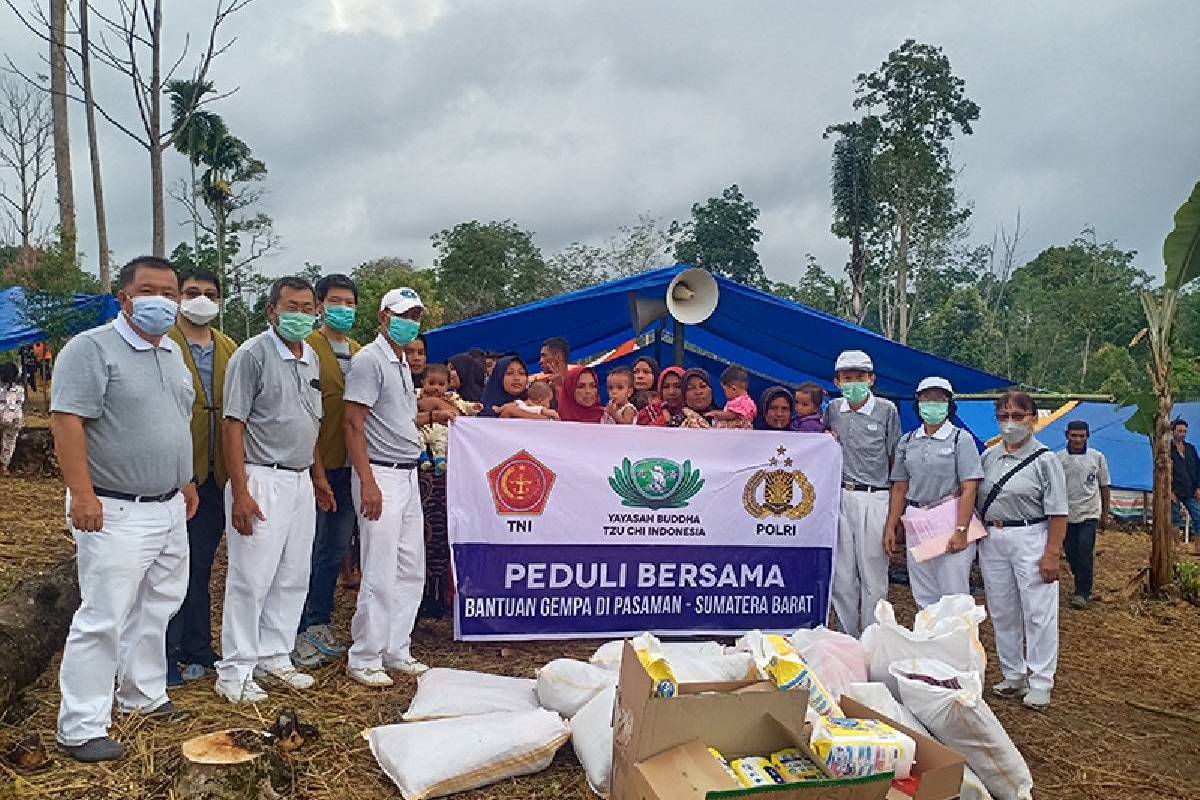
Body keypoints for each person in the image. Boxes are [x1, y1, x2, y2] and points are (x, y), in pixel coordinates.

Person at [51, 256, 198, 762]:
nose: (162, 300)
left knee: (157, 604)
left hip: (168, 505)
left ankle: (142, 694)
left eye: (170, 292)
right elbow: (67, 421)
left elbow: (174, 420)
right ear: (125, 297)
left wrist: (187, 479)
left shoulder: (172, 352)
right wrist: (83, 494)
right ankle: (81, 726)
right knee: (103, 616)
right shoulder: (91, 349)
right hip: (113, 507)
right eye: (149, 290)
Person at [215, 276, 334, 704]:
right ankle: (235, 670)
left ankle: (274, 654)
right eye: (292, 306)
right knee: (251, 577)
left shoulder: (310, 359)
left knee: (292, 573)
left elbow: (310, 423)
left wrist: (318, 478)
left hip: (300, 479)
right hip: (260, 475)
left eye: (307, 308)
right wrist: (241, 491)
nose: (300, 315)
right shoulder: (252, 355)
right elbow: (233, 425)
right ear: (271, 310)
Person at [343, 287, 430, 686]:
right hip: (381, 473)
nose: (409, 321)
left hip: (406, 472)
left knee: (410, 565)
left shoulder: (399, 362)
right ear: (383, 316)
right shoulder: (369, 361)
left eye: (415, 315)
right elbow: (353, 423)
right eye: (402, 314)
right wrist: (367, 481)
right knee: (378, 569)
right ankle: (365, 655)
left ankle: (397, 646)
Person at [165, 268, 237, 686]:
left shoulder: (229, 347)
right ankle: (167, 652)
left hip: (217, 474)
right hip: (175, 474)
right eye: (192, 292)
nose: (201, 300)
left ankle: (197, 648)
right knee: (171, 566)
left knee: (201, 563)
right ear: (178, 297)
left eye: (210, 294)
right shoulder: (164, 344)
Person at [978, 390, 1068, 710]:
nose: (1010, 423)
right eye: (1003, 416)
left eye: (1018, 416)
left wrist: (1052, 552)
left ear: (1033, 418)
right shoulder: (988, 457)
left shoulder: (1046, 460)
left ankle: (1041, 680)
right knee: (1002, 609)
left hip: (1032, 535)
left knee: (1038, 611)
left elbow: (1058, 510)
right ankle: (1012, 673)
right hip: (994, 537)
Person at [290, 274, 362, 668]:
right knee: (307, 548)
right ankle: (297, 626)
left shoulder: (359, 351)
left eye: (350, 302)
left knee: (335, 549)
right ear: (319, 305)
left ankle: (318, 621)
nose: (343, 309)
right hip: (318, 464)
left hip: (351, 465)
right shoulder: (309, 349)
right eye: (335, 301)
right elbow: (309, 416)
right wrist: (317, 471)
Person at [884, 377, 983, 609]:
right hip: (917, 520)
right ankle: (929, 643)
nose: (932, 404)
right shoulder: (908, 441)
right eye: (926, 398)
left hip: (949, 518)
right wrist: (891, 526)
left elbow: (970, 487)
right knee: (924, 594)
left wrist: (961, 530)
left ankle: (957, 645)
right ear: (917, 403)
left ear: (949, 403)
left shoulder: (961, 438)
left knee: (954, 596)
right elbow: (900, 486)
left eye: (939, 398)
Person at [822, 350, 900, 637]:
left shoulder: (886, 410)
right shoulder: (832, 410)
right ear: (837, 381)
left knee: (874, 575)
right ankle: (846, 638)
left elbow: (895, 460)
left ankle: (872, 640)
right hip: (840, 496)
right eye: (847, 378)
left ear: (871, 379)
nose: (853, 383)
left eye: (859, 377)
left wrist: (894, 515)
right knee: (842, 576)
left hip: (875, 496)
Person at [1056, 421, 1112, 609]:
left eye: (1082, 436)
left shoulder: (1097, 457)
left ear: (1088, 436)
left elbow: (1104, 486)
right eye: (1074, 435)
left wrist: (1105, 513)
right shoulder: (1058, 459)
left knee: (1084, 550)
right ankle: (1079, 578)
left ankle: (1083, 591)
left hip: (1089, 512)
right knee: (1071, 552)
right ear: (1067, 435)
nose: (1078, 439)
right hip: (1066, 513)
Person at [418, 363, 483, 472]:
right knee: (417, 437)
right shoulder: (416, 394)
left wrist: (473, 407)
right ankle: (423, 458)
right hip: (423, 427)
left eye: (441, 384)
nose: (436, 387)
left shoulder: (451, 397)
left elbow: (463, 406)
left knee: (442, 441)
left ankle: (440, 462)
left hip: (440, 429)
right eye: (431, 383)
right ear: (423, 382)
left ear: (448, 385)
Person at [1169, 418, 1200, 537]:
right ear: (1173, 432)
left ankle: (1198, 548)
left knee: (1198, 517)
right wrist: (1170, 491)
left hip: (1190, 490)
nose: (1182, 434)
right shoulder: (1167, 449)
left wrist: (1198, 487)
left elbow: (1197, 468)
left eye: (1185, 431)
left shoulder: (1191, 449)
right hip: (1175, 490)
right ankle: (1175, 546)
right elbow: (1164, 472)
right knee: (1174, 519)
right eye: (1180, 431)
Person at [0, 362, 24, 476]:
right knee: (9, 442)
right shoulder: (20, 389)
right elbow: (20, 402)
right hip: (14, 418)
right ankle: (4, 466)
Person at [539, 336, 570, 404]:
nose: (540, 361)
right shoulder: (544, 388)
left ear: (558, 356)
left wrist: (559, 387)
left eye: (544, 356)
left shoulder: (578, 382)